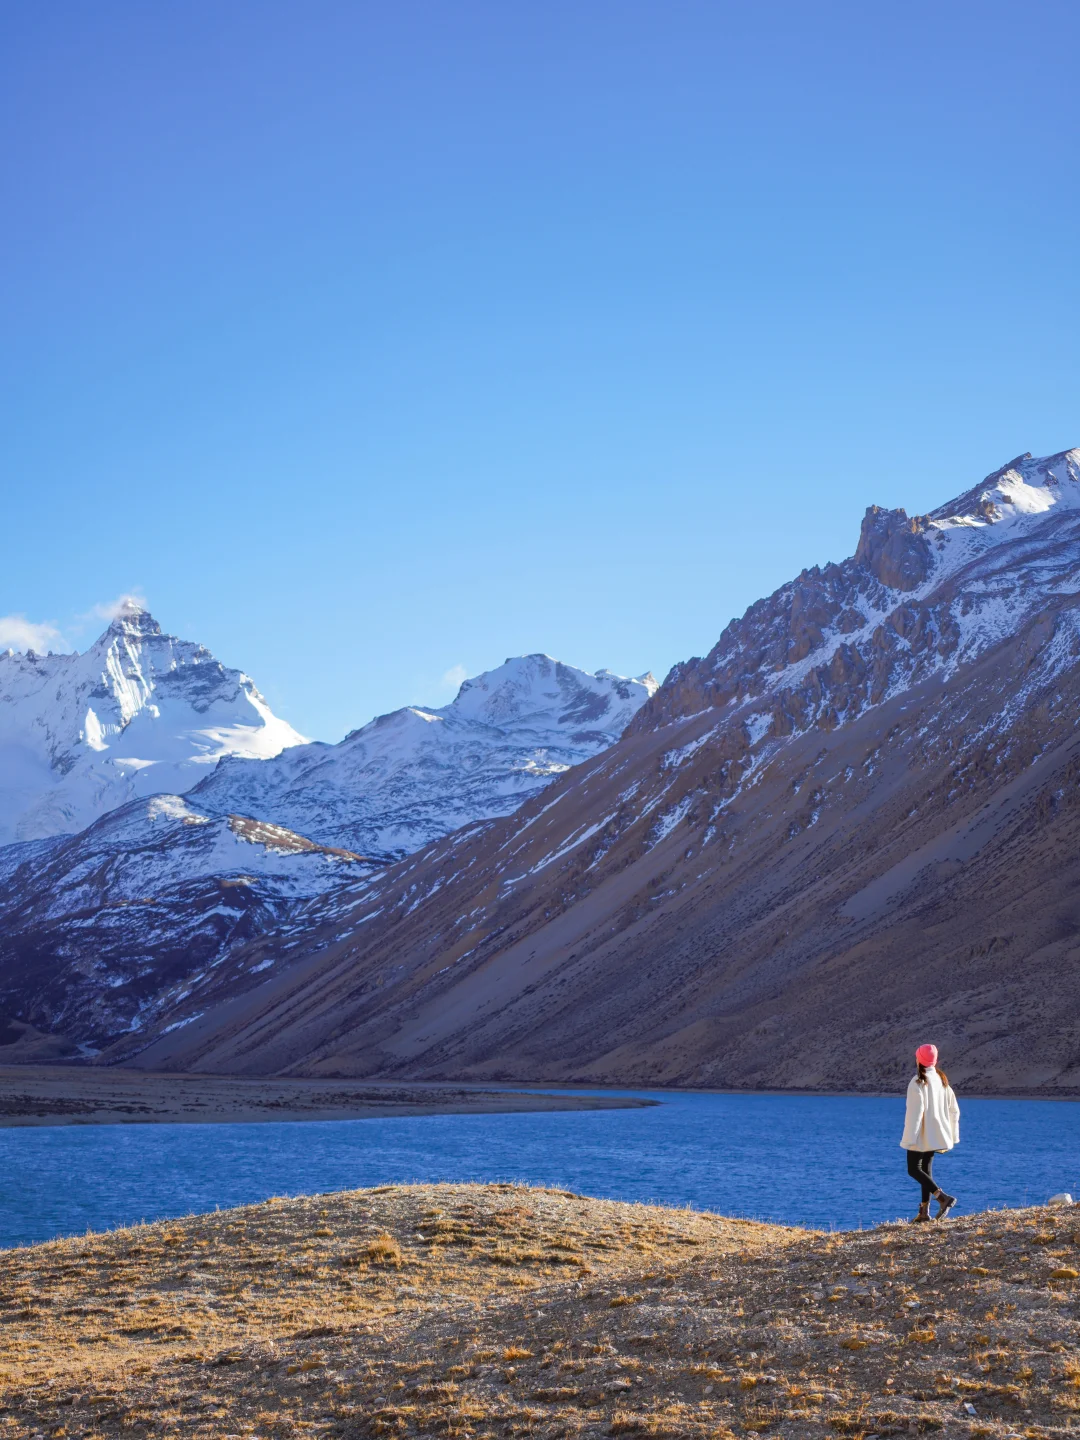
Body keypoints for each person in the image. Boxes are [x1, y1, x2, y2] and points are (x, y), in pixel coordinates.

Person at [900, 1043, 960, 1222]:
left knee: (913, 1169)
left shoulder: (918, 1081)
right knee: (925, 1170)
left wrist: (910, 1137)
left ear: (919, 1059)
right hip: (936, 1135)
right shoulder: (942, 1080)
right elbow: (954, 1110)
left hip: (920, 1135)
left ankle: (943, 1198)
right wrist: (952, 1134)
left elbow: (915, 1113)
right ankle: (924, 1212)